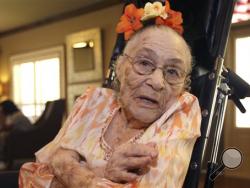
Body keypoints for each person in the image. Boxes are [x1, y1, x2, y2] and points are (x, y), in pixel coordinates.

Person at [19, 1, 201, 188]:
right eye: (145, 63)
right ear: (120, 69)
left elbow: (53, 168)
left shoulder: (183, 109)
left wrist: (69, 168)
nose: (157, 82)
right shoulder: (92, 100)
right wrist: (99, 175)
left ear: (183, 86)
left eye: (172, 72)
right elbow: (31, 175)